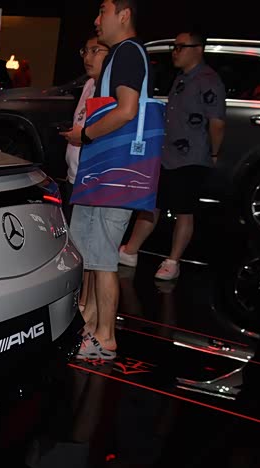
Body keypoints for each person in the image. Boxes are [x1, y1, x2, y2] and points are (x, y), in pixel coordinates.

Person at [60, 0, 151, 360]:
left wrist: (85, 135)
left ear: (123, 15)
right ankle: (93, 326)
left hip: (116, 172)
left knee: (104, 258)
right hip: (105, 171)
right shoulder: (121, 54)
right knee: (95, 255)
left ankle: (105, 338)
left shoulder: (127, 53)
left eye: (103, 12)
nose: (97, 20)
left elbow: (127, 110)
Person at [118, 32, 225, 280]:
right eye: (174, 47)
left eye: (181, 47)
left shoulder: (209, 80)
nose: (175, 52)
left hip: (192, 156)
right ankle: (130, 250)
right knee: (152, 204)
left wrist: (214, 153)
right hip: (167, 155)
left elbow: (217, 122)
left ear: (198, 49)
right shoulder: (182, 78)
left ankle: (173, 261)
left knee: (184, 210)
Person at [64, 36, 109, 312]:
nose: (87, 57)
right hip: (75, 173)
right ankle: (81, 302)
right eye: (85, 50)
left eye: (95, 51)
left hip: (91, 177)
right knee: (79, 244)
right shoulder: (90, 84)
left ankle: (86, 306)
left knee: (91, 252)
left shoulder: (108, 88)